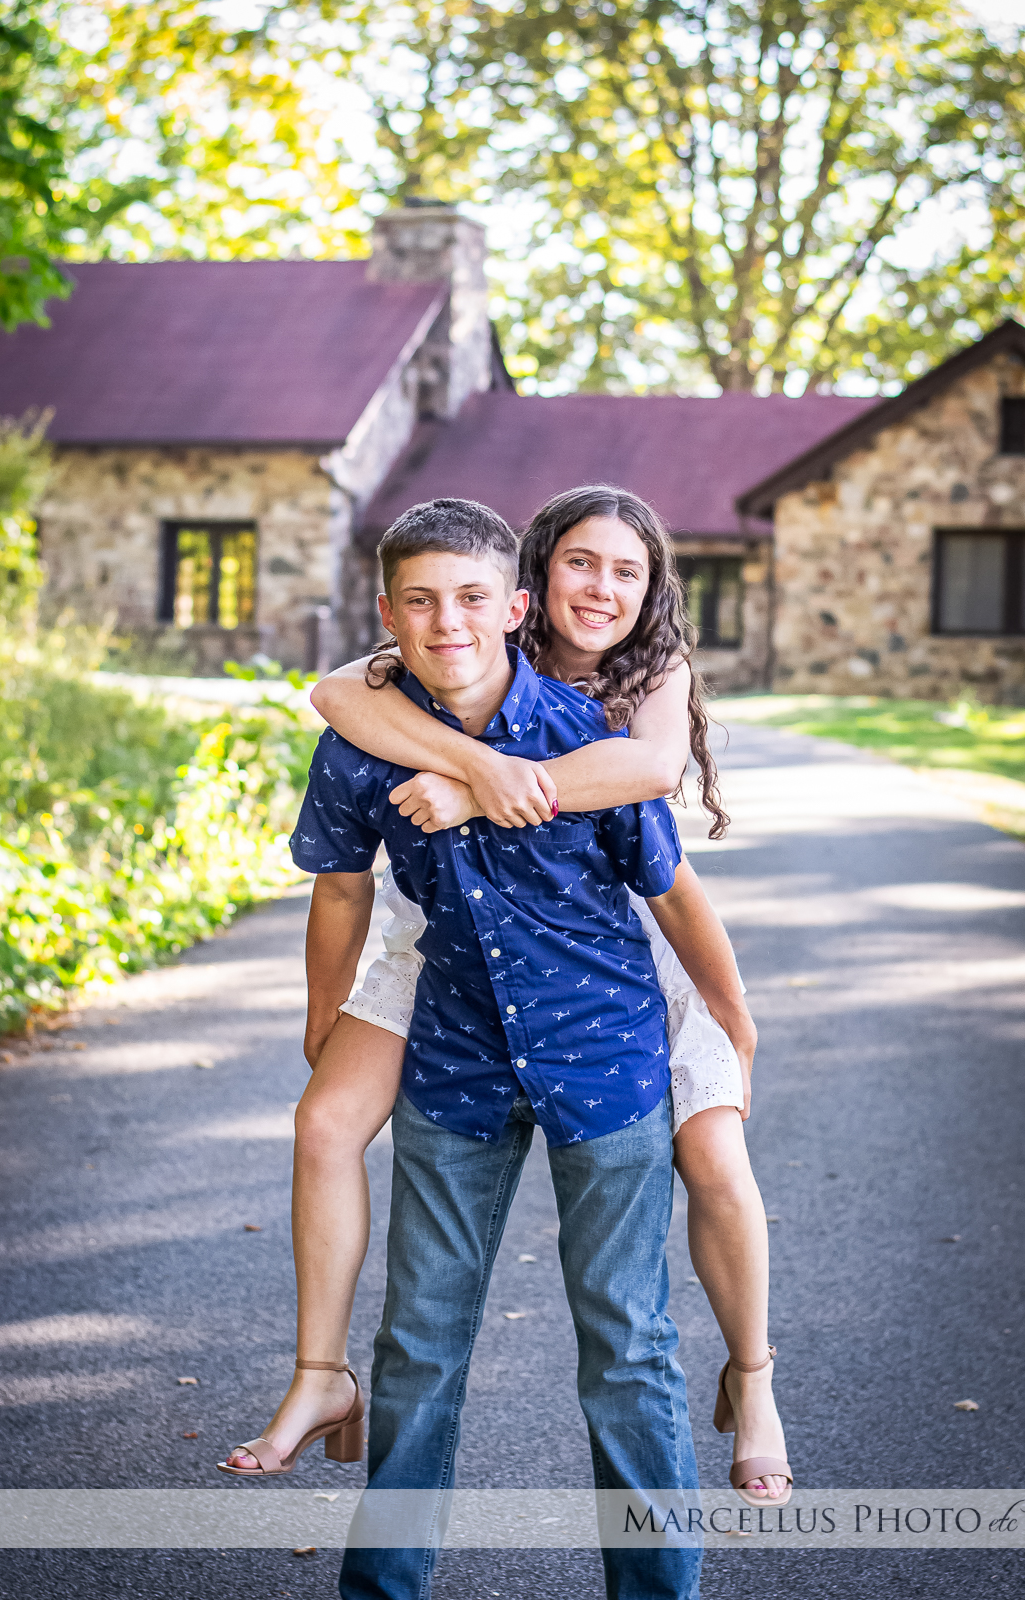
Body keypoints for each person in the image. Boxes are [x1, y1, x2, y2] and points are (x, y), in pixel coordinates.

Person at [220, 486, 791, 1515]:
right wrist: (470, 760)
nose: (602, 587)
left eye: (626, 570)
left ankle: (751, 1380)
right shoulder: (430, 639)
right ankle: (321, 1372)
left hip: (606, 949)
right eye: (581, 563)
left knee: (707, 1155)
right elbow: (333, 698)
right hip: (441, 938)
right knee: (328, 1126)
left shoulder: (641, 673)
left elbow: (652, 782)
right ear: (536, 579)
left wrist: (730, 1008)